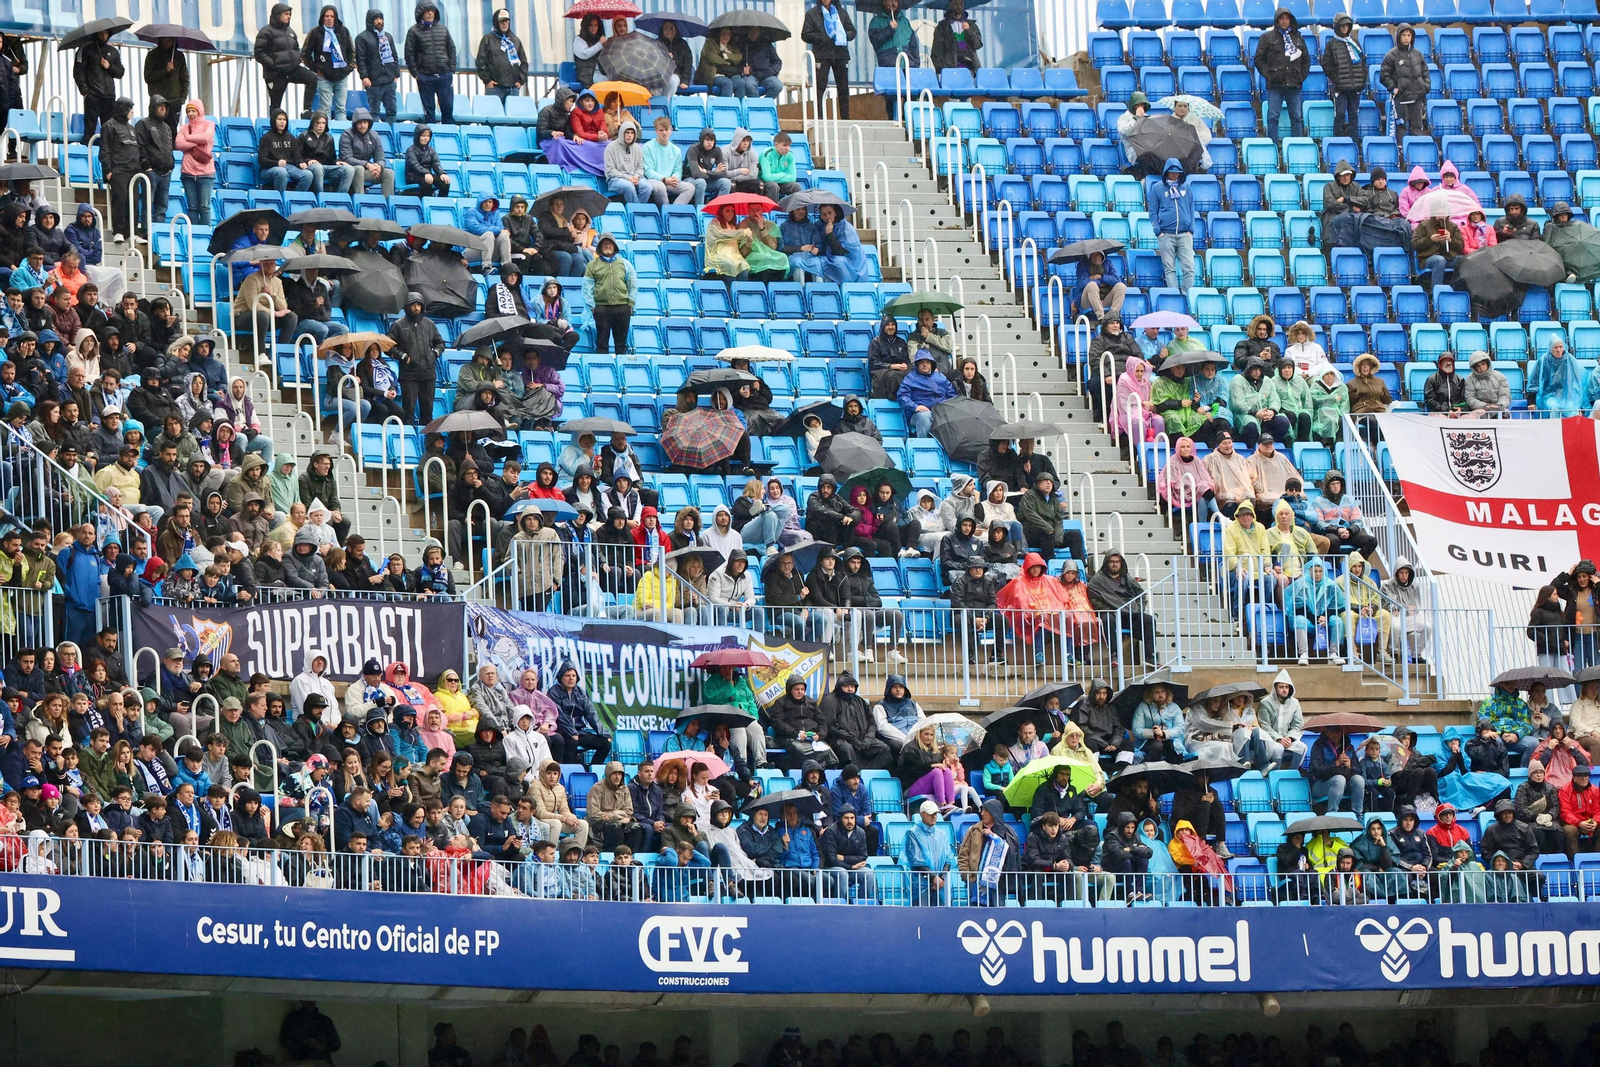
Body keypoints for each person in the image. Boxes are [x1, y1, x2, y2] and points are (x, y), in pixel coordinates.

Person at [1254, 7, 1309, 138]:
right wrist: (1269, 75)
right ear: (1277, 20)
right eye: (1281, 19)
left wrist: (1300, 77)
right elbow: (1258, 59)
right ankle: (1272, 146)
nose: (1284, 21)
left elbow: (1306, 60)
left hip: (1294, 84)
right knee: (1273, 117)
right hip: (1275, 84)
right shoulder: (1266, 37)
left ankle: (1297, 147)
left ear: (1290, 20)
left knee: (1296, 117)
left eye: (1287, 19)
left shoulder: (1298, 38)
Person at [801, 0, 856, 120]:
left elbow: (852, 31)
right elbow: (805, 34)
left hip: (840, 54)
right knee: (820, 87)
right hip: (821, 55)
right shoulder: (812, 13)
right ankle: (819, 117)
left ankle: (845, 117)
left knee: (843, 87)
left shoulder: (841, 12)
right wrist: (822, 37)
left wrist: (842, 34)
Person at [583, 235, 636, 356]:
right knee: (602, 343)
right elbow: (587, 287)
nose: (607, 246)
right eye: (604, 243)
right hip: (601, 308)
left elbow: (632, 283)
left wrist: (630, 303)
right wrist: (592, 306)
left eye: (610, 243)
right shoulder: (592, 265)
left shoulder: (625, 264)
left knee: (621, 344)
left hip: (622, 307)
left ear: (615, 246)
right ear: (600, 247)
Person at [1146, 159, 1194, 291]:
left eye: (1177, 173)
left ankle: (1185, 295)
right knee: (1169, 268)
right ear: (1166, 172)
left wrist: (1191, 229)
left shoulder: (1186, 187)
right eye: (1172, 172)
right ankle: (1174, 295)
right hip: (1166, 234)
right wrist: (1158, 231)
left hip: (1185, 234)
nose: (1174, 175)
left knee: (1189, 268)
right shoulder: (1157, 188)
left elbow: (1191, 208)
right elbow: (1152, 211)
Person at [405, 1, 457, 124]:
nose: (430, 13)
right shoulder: (413, 31)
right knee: (429, 112)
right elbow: (409, 54)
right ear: (420, 14)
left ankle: (448, 137)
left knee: (447, 109)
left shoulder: (443, 28)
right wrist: (416, 75)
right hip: (425, 77)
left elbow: (451, 48)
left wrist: (452, 69)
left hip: (444, 75)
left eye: (432, 11)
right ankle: (430, 139)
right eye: (427, 11)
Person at [98, 98, 140, 244]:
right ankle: (119, 231)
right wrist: (107, 169)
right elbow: (105, 150)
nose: (132, 112)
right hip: (118, 170)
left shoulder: (132, 128)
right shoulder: (108, 126)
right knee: (120, 200)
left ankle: (132, 232)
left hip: (133, 172)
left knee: (133, 201)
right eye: (130, 108)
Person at [301, 6, 355, 120]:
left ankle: (341, 135)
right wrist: (316, 69)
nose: (329, 19)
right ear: (322, 17)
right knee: (325, 108)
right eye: (326, 16)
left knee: (341, 108)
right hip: (324, 78)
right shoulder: (315, 32)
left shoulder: (343, 31)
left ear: (336, 18)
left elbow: (352, 52)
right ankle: (326, 136)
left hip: (342, 76)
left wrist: (348, 68)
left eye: (332, 16)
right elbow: (305, 53)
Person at [869, 0, 920, 118]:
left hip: (907, 65)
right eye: (889, 0)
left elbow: (913, 45)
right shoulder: (876, 22)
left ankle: (908, 122)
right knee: (892, 98)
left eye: (895, 0)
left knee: (911, 96)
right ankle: (894, 121)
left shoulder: (905, 21)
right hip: (889, 65)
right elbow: (876, 41)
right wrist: (889, 29)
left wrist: (916, 62)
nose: (892, 3)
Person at [75, 27, 125, 146]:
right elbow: (78, 71)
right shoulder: (85, 49)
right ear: (96, 34)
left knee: (108, 131)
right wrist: (85, 91)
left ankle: (107, 160)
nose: (103, 36)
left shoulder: (113, 51)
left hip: (109, 96)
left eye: (106, 33)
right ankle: (87, 157)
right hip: (93, 95)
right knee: (90, 130)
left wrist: (109, 66)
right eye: (101, 33)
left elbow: (120, 72)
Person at [1381, 24, 1429, 139]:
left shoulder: (1418, 54)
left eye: (1409, 35)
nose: (1407, 38)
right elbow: (1384, 75)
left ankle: (1416, 153)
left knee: (1417, 128)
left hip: (1416, 98)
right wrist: (1394, 88)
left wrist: (1425, 87)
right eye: (1404, 35)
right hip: (1401, 100)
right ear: (1399, 37)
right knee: (1401, 129)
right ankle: (1401, 154)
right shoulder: (1391, 55)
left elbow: (1425, 73)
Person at [904, 798, 956, 904]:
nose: (934, 816)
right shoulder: (912, 833)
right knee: (921, 916)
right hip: (921, 884)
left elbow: (948, 858)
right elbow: (915, 861)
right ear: (922, 814)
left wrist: (940, 879)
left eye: (936, 814)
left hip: (940, 884)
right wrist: (933, 878)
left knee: (940, 915)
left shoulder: (941, 834)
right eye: (931, 814)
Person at [1323, 13, 1366, 139]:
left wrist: (1362, 78)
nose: (1344, 28)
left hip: (1355, 87)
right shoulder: (1331, 44)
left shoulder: (1355, 43)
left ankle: (1354, 143)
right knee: (1340, 114)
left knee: (1354, 115)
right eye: (1342, 26)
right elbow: (1326, 64)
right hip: (1340, 88)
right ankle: (1339, 140)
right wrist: (1337, 79)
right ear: (1337, 27)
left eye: (1347, 25)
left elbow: (1363, 62)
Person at [354, 9, 402, 122]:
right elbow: (361, 60)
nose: (379, 21)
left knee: (392, 111)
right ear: (370, 21)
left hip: (390, 81)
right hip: (373, 82)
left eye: (381, 18)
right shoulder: (362, 38)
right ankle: (375, 137)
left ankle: (391, 136)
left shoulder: (388, 37)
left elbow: (394, 56)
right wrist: (364, 76)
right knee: (374, 112)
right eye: (376, 19)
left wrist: (396, 74)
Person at [135, 97, 175, 228]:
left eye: (165, 106)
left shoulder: (167, 128)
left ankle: (159, 233)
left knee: (162, 205)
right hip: (151, 172)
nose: (163, 108)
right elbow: (140, 146)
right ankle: (147, 232)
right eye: (160, 106)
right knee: (148, 203)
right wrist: (146, 166)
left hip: (166, 173)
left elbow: (170, 148)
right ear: (153, 107)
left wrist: (171, 165)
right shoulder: (143, 123)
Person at [338, 107, 394, 197]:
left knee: (389, 173)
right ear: (355, 124)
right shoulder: (347, 134)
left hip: (368, 170)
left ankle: (387, 205)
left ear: (369, 123)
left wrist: (378, 166)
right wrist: (367, 165)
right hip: (350, 170)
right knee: (359, 169)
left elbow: (380, 157)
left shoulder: (374, 135)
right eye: (360, 123)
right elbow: (347, 158)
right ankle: (360, 200)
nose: (363, 125)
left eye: (365, 122)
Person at [604, 122, 662, 206]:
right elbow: (610, 171)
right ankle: (637, 211)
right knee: (629, 186)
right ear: (621, 133)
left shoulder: (638, 148)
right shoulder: (610, 148)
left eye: (632, 133)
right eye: (627, 133)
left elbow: (640, 167)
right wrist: (628, 178)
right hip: (616, 179)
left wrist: (636, 176)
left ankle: (635, 210)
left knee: (647, 187)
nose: (629, 135)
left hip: (635, 177)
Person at [897, 353, 956, 437]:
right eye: (922, 362)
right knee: (924, 416)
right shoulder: (910, 378)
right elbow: (902, 396)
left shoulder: (941, 377)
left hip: (941, 412)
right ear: (917, 364)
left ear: (931, 364)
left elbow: (952, 396)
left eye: (927, 362)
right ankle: (923, 446)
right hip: (919, 414)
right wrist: (915, 407)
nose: (925, 365)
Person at [476, 8, 529, 100]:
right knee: (493, 114)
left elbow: (523, 62)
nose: (504, 23)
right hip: (494, 89)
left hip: (513, 89)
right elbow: (480, 62)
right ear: (496, 22)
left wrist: (521, 81)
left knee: (513, 114)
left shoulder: (515, 41)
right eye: (501, 21)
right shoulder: (487, 39)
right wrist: (488, 81)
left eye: (506, 21)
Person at [258, 108, 312, 193]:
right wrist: (276, 163)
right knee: (281, 172)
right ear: (273, 121)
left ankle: (295, 199)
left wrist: (300, 162)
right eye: (279, 119)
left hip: (289, 167)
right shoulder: (266, 138)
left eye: (284, 119)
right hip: (269, 168)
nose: (282, 122)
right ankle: (280, 199)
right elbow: (262, 160)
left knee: (308, 175)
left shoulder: (290, 137)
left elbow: (296, 155)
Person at [1413, 214, 1463, 292]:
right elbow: (1414, 244)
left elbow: (1461, 246)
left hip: (1449, 257)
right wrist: (1430, 240)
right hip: (1428, 258)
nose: (1441, 216)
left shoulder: (1453, 226)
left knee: (1462, 260)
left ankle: (1459, 290)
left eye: (1443, 213)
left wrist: (1450, 240)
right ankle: (1436, 292)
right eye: (1438, 213)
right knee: (1440, 260)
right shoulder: (1423, 225)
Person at [931, 0, 982, 74]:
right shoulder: (942, 27)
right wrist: (943, 69)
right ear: (949, 5)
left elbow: (977, 45)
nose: (959, 6)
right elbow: (936, 52)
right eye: (955, 4)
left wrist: (969, 31)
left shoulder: (971, 25)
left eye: (961, 3)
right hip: (950, 71)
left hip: (970, 69)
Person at [1074, 249, 1124, 323]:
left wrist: (1100, 277)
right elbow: (1082, 283)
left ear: (1102, 255)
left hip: (1105, 299)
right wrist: (1101, 283)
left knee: (1121, 286)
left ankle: (1113, 315)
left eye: (1098, 255)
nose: (1096, 257)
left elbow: (1117, 280)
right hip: (1088, 301)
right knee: (1092, 285)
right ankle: (1101, 318)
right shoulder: (1082, 265)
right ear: (1090, 256)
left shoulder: (1108, 263)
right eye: (1094, 255)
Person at [404, 124, 451, 198]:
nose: (425, 138)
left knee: (445, 182)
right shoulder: (411, 150)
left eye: (427, 136)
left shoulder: (431, 150)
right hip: (413, 175)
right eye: (423, 136)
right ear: (417, 136)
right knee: (427, 180)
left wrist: (442, 173)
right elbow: (415, 165)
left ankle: (440, 201)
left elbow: (436, 164)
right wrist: (426, 173)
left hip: (428, 174)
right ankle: (426, 202)